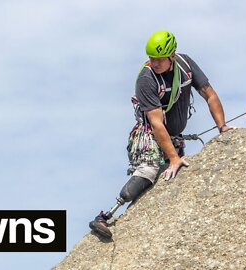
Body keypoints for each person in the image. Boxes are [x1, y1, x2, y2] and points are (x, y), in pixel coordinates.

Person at [89, 30, 234, 238]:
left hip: (174, 136)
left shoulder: (185, 65)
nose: (154, 63)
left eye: (159, 59)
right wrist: (174, 157)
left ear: (172, 56)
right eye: (151, 58)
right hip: (148, 136)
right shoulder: (147, 79)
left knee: (175, 177)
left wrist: (222, 127)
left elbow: (209, 94)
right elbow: (156, 124)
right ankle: (105, 216)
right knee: (149, 170)